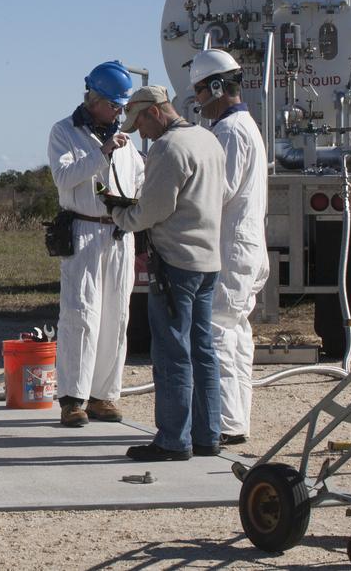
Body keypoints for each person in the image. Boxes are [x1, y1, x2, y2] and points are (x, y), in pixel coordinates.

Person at [111, 85, 226, 461]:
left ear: (155, 112)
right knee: (203, 349)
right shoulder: (207, 139)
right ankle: (208, 434)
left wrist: (120, 214)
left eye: (141, 121)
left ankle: (173, 440)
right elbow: (220, 193)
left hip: (176, 261)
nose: (140, 132)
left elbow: (154, 209)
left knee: (172, 351)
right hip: (207, 260)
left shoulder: (168, 148)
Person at [47, 61, 144, 428]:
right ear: (95, 99)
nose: (120, 112)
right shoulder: (64, 133)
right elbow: (65, 177)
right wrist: (101, 152)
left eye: (122, 106)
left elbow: (138, 175)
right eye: (115, 104)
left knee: (116, 316)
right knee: (80, 315)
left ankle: (105, 394)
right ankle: (73, 398)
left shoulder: (126, 140)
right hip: (84, 232)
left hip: (119, 232)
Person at [191, 49, 269, 446]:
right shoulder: (246, 126)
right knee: (236, 334)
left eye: (201, 91)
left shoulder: (228, 132)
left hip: (231, 248)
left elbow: (217, 191)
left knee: (218, 332)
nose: (198, 101)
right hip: (246, 247)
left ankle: (221, 422)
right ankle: (233, 420)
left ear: (218, 87)